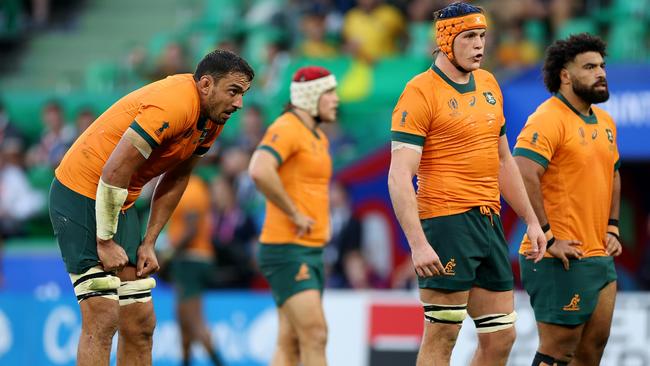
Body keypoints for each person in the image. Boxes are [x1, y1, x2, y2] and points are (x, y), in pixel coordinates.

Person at [48, 49, 253, 366]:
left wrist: (149, 242)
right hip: (80, 193)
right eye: (234, 91)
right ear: (206, 85)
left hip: (121, 200)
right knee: (103, 314)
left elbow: (178, 175)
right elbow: (113, 171)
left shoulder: (213, 118)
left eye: (243, 94)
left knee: (141, 323)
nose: (239, 103)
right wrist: (105, 241)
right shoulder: (173, 104)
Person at [387, 2, 547, 365]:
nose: (479, 45)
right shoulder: (419, 92)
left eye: (483, 36)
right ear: (446, 40)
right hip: (446, 223)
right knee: (443, 334)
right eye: (470, 37)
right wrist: (418, 244)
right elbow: (399, 175)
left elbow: (504, 161)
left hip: (488, 222)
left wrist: (532, 220)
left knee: (502, 337)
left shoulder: (490, 83)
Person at [513, 33, 622, 366]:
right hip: (559, 257)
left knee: (591, 352)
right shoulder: (547, 118)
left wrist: (613, 227)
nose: (600, 72)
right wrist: (547, 236)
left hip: (598, 255)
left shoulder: (605, 121)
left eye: (602, 65)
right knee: (557, 353)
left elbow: (613, 174)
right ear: (565, 75)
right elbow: (522, 172)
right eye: (589, 67)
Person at [248, 65, 338, 366]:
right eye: (329, 93)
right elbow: (260, 169)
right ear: (311, 97)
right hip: (287, 247)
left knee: (290, 341)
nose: (336, 100)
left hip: (310, 248)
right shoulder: (286, 127)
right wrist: (295, 213)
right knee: (315, 334)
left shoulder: (318, 137)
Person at [165, 174, 223, 366]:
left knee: (194, 322)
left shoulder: (191, 190)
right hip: (188, 260)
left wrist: (168, 253)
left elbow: (191, 230)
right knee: (183, 322)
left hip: (192, 260)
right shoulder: (186, 185)